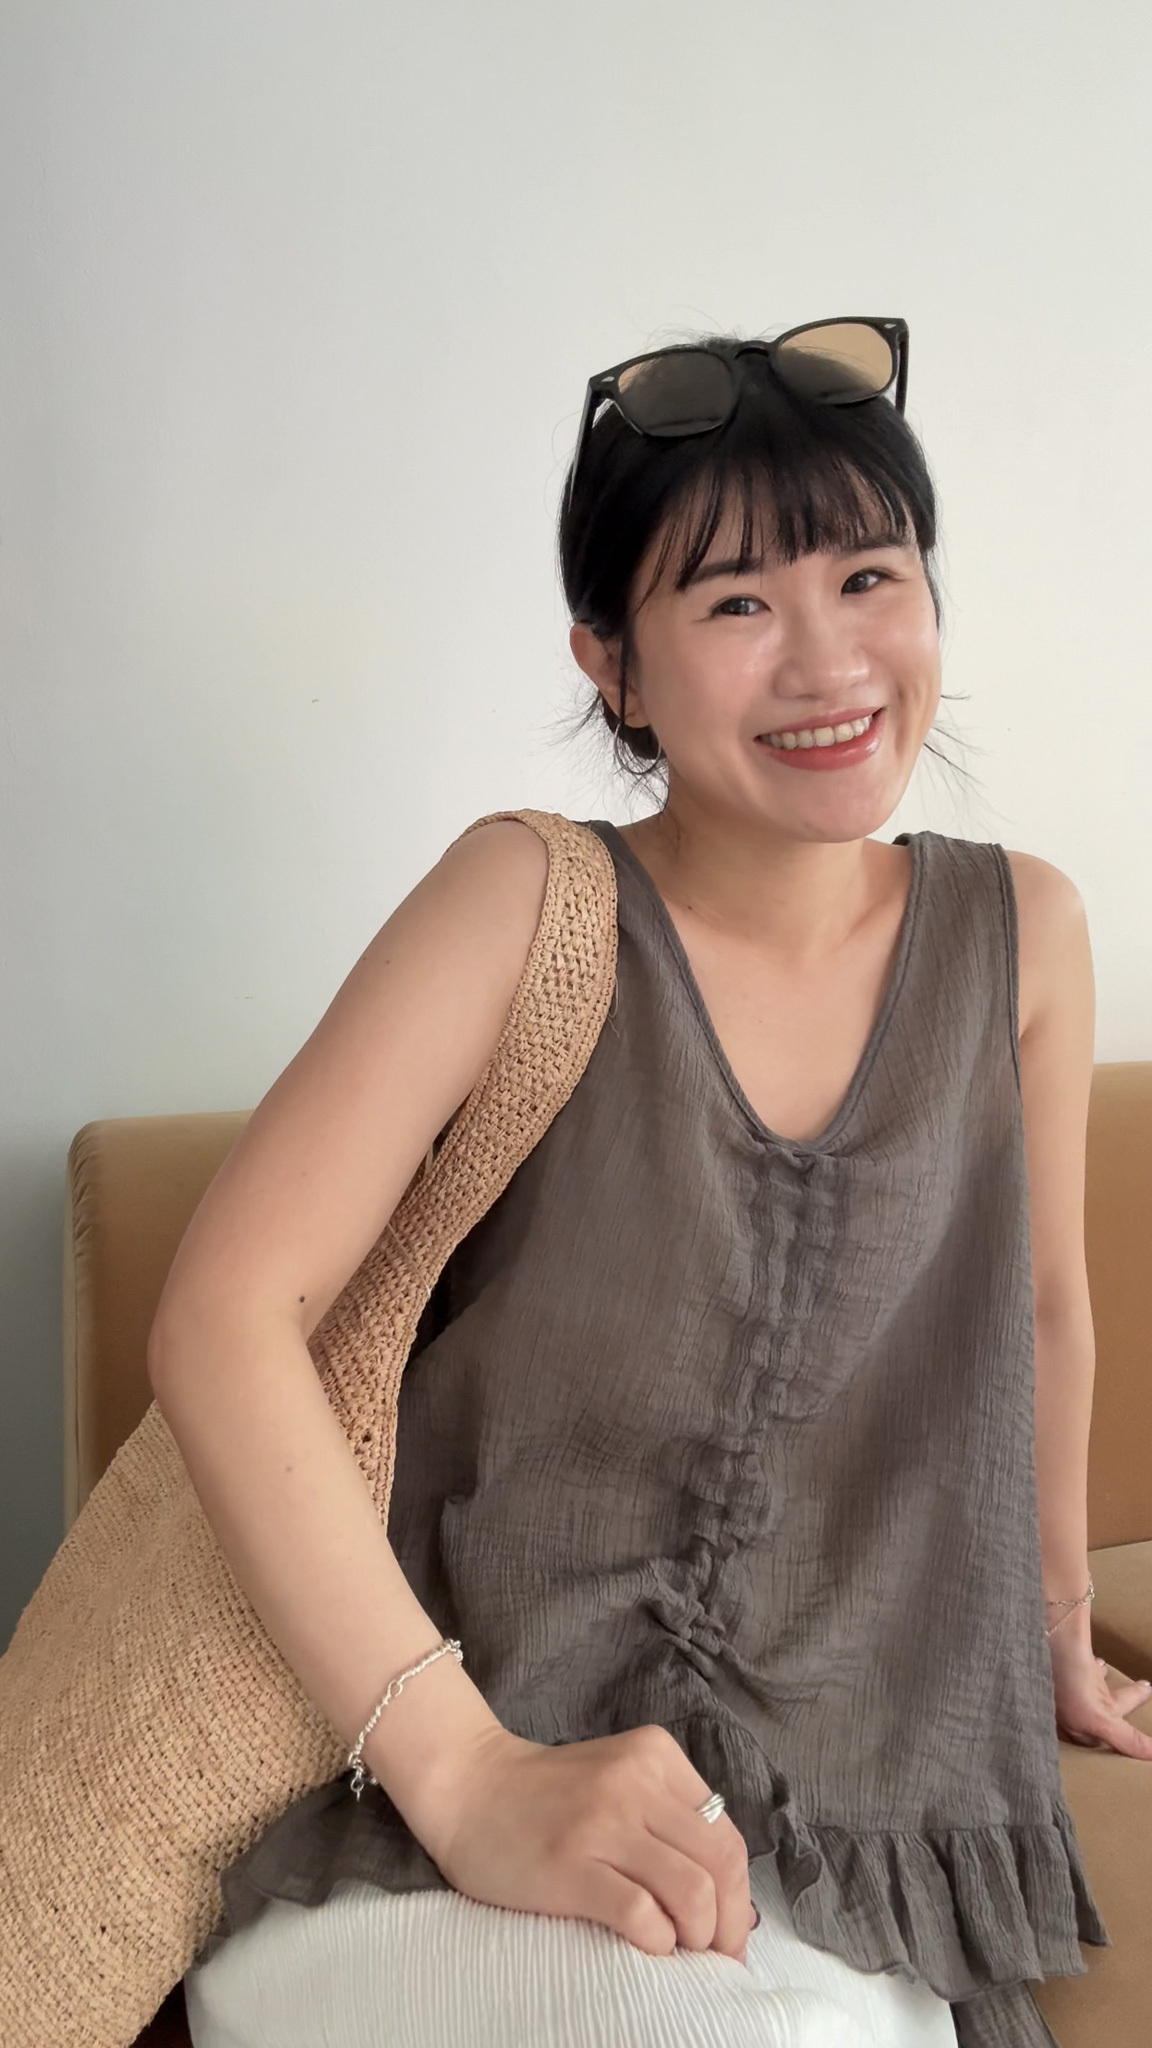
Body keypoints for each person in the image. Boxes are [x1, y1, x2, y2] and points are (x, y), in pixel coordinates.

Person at [158, 321, 1147, 2048]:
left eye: (870, 576)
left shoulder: (1024, 933)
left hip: (845, 1797)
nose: (829, 660)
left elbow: (1043, 1310)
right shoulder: (525, 908)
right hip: (459, 1775)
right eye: (738, 601)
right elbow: (225, 1316)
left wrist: (1055, 1618)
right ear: (612, 666)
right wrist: (464, 1773)